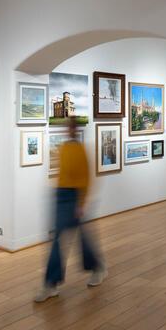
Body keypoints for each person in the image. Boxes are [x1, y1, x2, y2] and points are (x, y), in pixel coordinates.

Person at [35, 116, 106, 303]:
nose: (70, 129)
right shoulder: (64, 148)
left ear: (77, 129)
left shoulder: (81, 150)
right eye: (68, 126)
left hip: (74, 198)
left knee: (83, 239)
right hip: (61, 195)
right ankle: (51, 284)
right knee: (57, 240)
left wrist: (81, 204)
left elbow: (86, 178)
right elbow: (62, 174)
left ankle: (97, 268)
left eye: (73, 126)